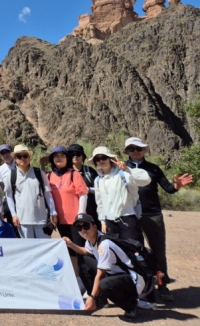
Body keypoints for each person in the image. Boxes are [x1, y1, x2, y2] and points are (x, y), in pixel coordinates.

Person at [124, 136, 193, 300]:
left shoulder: (153, 169)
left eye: (138, 148)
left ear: (144, 150)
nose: (135, 151)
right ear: (127, 151)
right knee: (132, 251)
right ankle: (139, 286)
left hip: (152, 214)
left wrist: (177, 185)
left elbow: (168, 188)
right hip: (129, 215)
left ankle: (162, 284)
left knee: (158, 251)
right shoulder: (121, 168)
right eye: (131, 149)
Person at [64, 213, 156, 321]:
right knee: (84, 260)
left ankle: (131, 306)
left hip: (132, 278)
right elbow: (85, 251)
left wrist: (92, 297)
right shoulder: (92, 240)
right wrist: (70, 244)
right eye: (79, 227)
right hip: (117, 275)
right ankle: (100, 300)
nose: (83, 230)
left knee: (105, 284)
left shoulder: (105, 244)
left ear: (94, 226)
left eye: (86, 226)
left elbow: (100, 274)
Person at [46, 146, 89, 288]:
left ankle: (87, 281)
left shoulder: (74, 174)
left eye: (62, 156)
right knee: (70, 251)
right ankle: (77, 280)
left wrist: (81, 215)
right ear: (52, 159)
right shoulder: (48, 177)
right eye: (56, 156)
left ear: (67, 158)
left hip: (76, 221)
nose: (59, 158)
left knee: (80, 251)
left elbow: (83, 194)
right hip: (61, 221)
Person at [91, 146, 150, 243]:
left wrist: (127, 169)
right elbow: (100, 202)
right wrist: (102, 221)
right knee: (117, 253)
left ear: (110, 159)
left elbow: (146, 179)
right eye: (97, 159)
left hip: (127, 218)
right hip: (110, 222)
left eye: (104, 157)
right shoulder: (98, 180)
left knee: (135, 251)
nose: (101, 160)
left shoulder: (123, 174)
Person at [3, 144, 57, 239]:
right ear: (15, 158)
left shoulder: (39, 173)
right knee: (29, 250)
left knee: (44, 248)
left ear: (29, 157)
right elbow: (9, 196)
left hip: (41, 219)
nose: (22, 158)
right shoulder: (11, 175)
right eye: (19, 156)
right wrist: (14, 215)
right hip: (22, 220)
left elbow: (47, 194)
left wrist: (53, 212)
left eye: (25, 156)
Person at [69, 143, 100, 224]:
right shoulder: (65, 173)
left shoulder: (90, 171)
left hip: (92, 208)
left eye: (78, 154)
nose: (75, 156)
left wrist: (88, 190)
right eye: (72, 154)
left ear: (82, 156)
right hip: (72, 208)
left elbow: (101, 189)